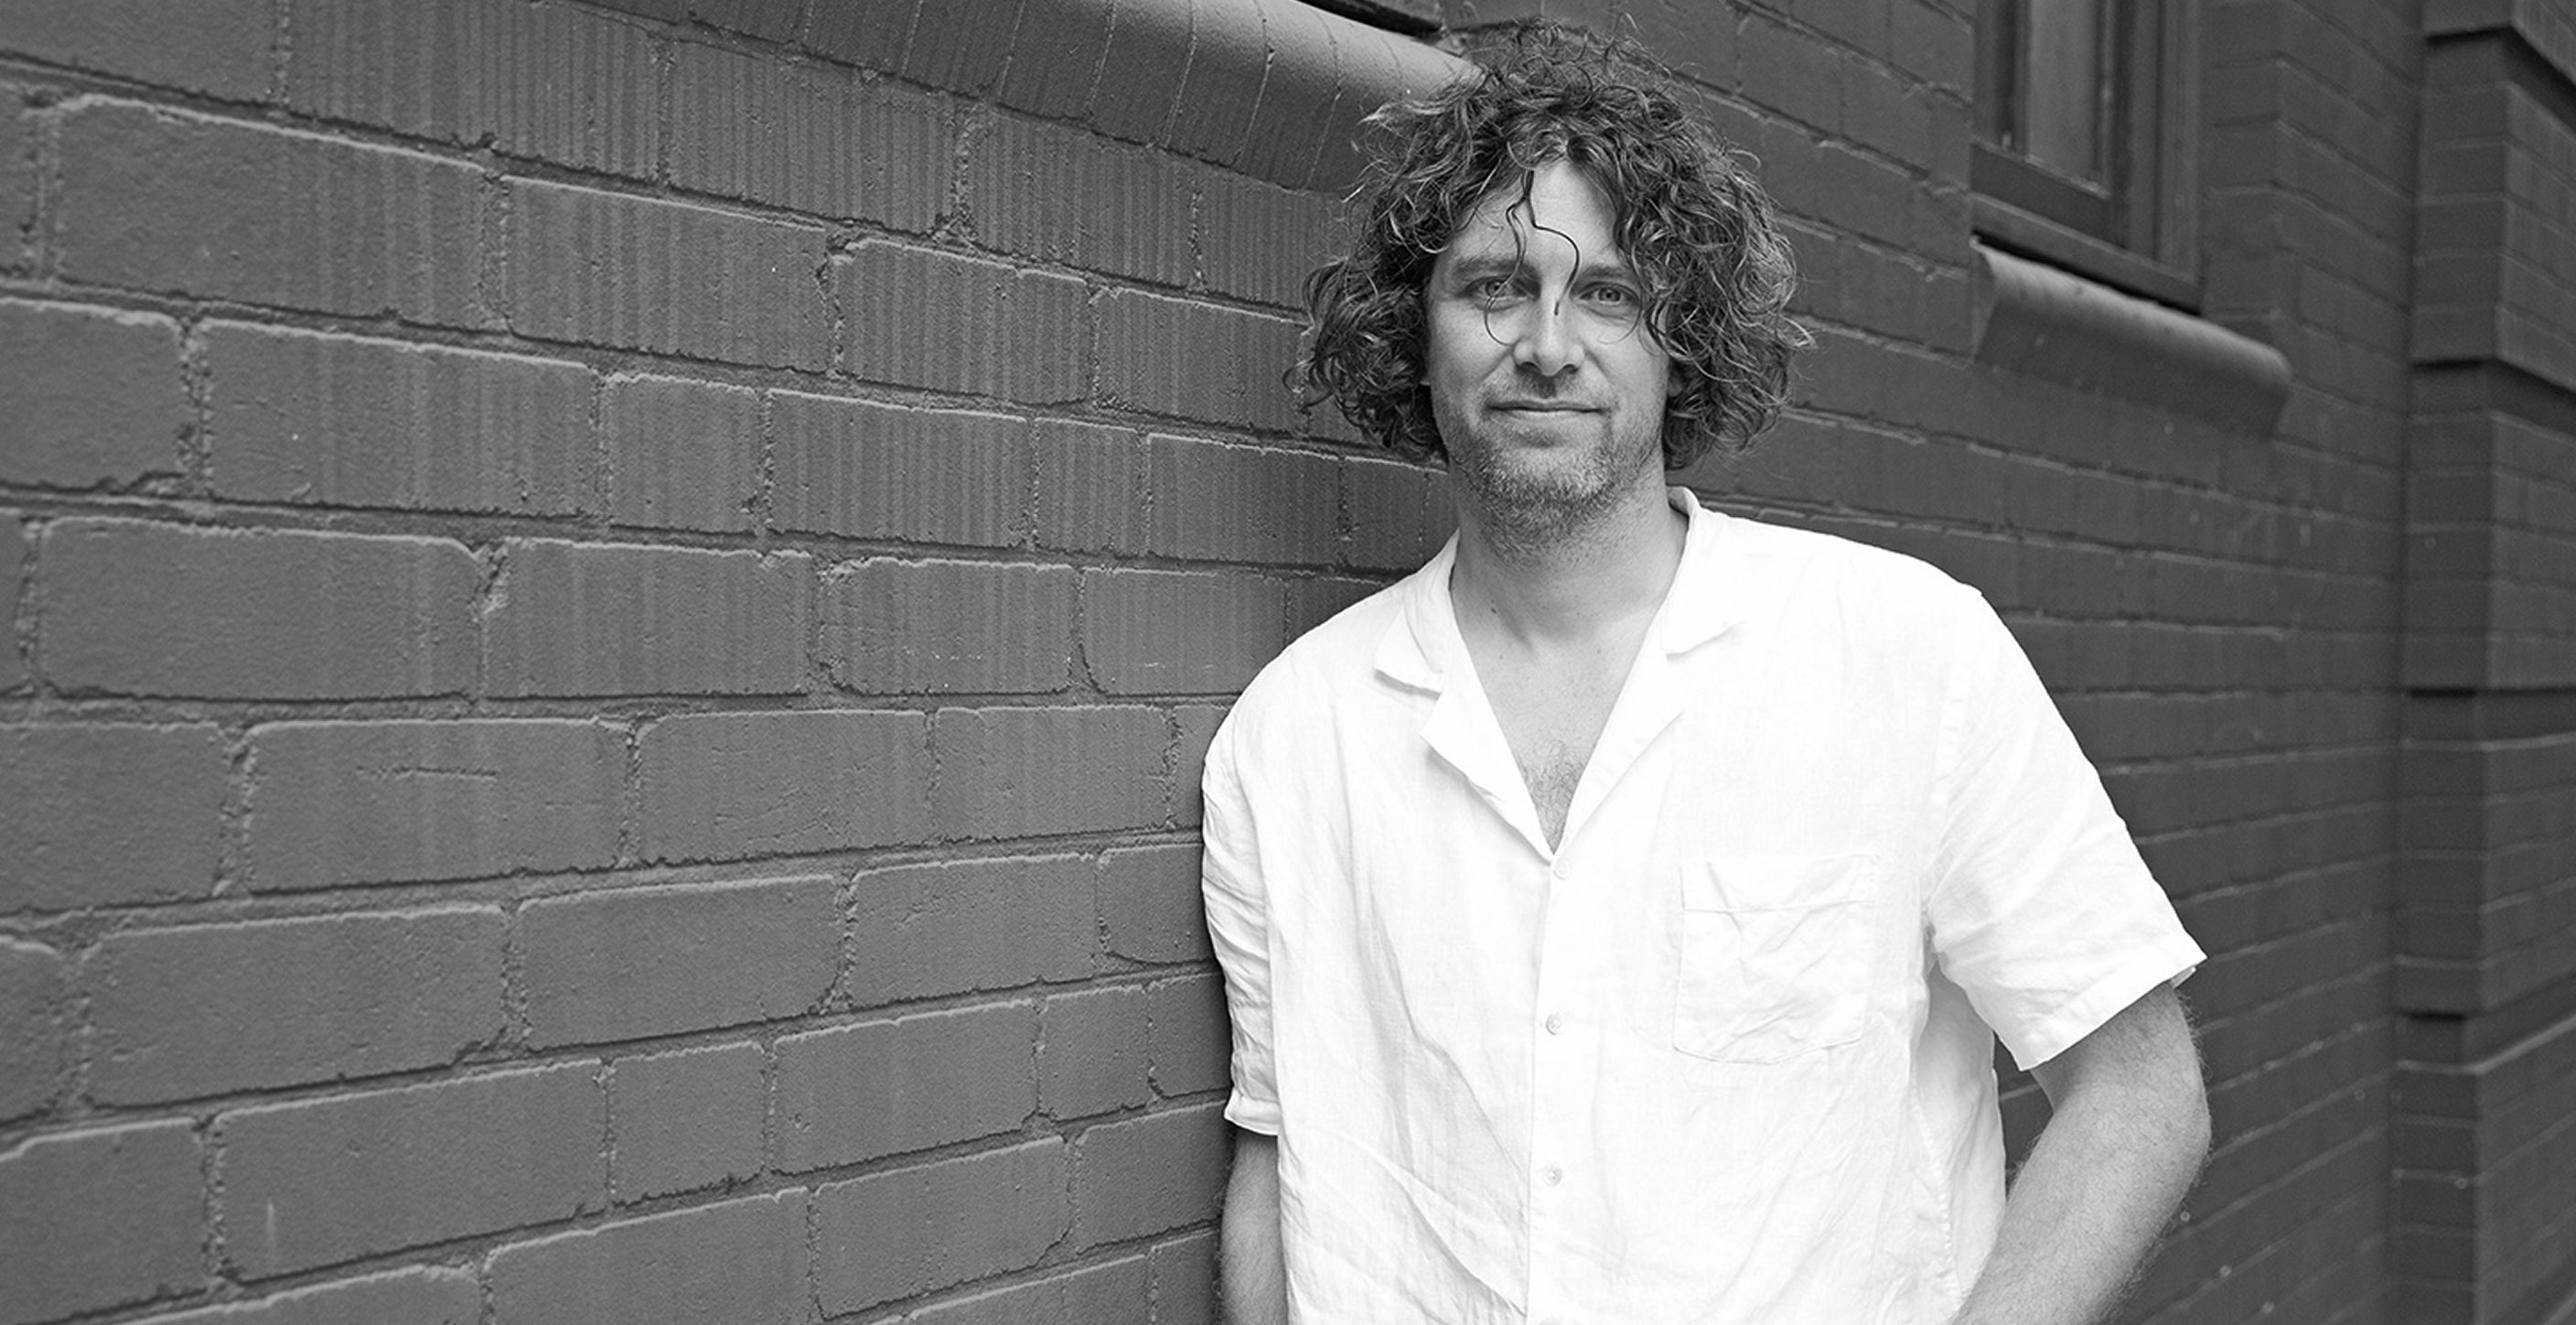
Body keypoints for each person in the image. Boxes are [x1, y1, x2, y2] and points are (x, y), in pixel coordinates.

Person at [1197, 20, 2211, 1325]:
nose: (1548, 342)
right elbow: (1280, 1164)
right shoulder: (1294, 736)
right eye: (1495, 283)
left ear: (1682, 341)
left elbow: (2138, 1091)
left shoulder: (1903, 653)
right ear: (1414, 326)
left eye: (1610, 294)